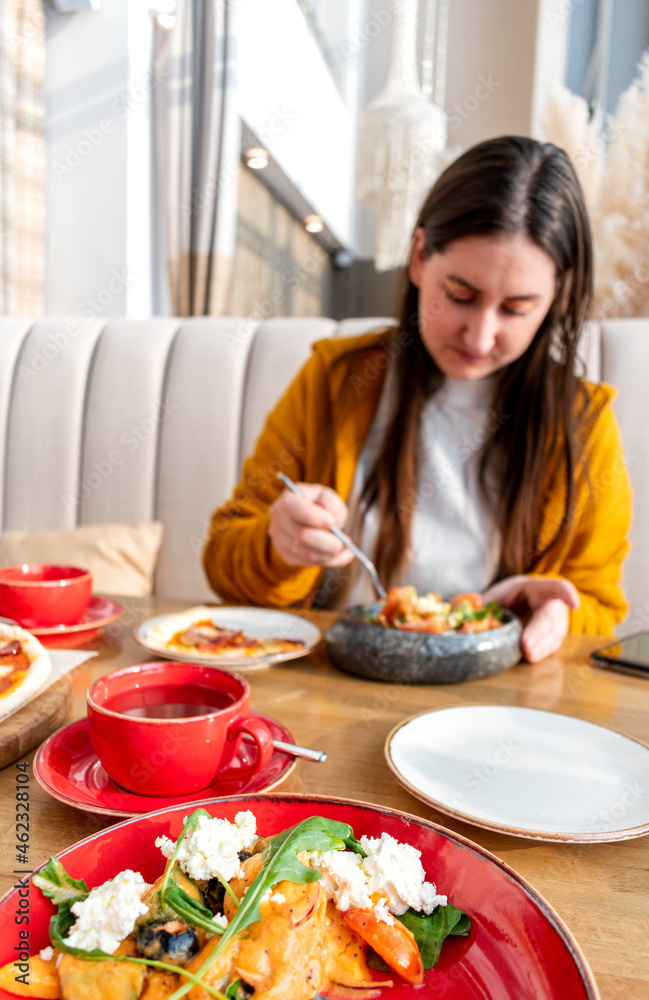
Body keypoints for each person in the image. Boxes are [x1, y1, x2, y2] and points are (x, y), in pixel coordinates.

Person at [203, 136, 632, 663]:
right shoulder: (337, 380)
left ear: (555, 298)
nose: (479, 337)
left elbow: (598, 605)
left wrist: (555, 615)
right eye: (460, 295)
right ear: (418, 257)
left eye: (517, 309)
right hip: (335, 682)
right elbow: (224, 564)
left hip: (493, 703)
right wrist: (279, 545)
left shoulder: (582, 425)